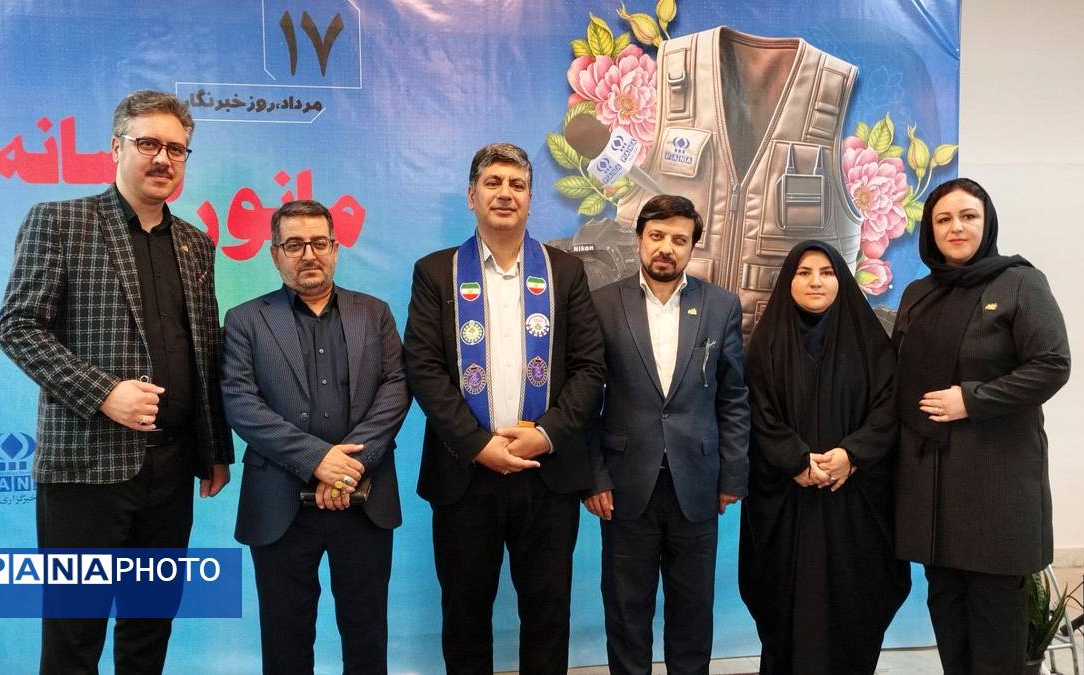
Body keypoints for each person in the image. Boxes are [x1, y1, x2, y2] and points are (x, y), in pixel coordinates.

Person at [0, 90, 232, 673]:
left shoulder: (196, 244)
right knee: (74, 636)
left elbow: (204, 349)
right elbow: (18, 326)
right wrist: (103, 392)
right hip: (85, 466)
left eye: (176, 148)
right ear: (116, 148)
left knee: (150, 628)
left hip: (172, 469)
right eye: (148, 143)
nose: (163, 159)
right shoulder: (61, 221)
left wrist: (214, 449)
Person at [403, 142, 605, 674]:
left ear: (531, 199)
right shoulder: (436, 272)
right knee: (464, 614)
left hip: (546, 471)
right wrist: (478, 445)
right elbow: (423, 368)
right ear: (471, 196)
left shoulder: (565, 272)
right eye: (493, 182)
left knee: (548, 613)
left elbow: (590, 368)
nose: (505, 194)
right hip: (466, 473)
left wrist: (547, 433)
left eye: (517, 184)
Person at [221, 199, 410, 673]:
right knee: (285, 641)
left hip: (364, 498)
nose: (309, 254)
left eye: (319, 243)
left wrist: (347, 469)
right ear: (274, 253)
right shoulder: (246, 320)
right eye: (294, 245)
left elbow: (396, 388)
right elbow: (241, 403)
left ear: (335, 248)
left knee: (367, 637)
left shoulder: (375, 313)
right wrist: (317, 460)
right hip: (278, 502)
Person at [893, 178, 1071, 674]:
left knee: (995, 637)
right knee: (950, 625)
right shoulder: (918, 293)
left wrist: (971, 400)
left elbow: (1052, 364)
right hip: (932, 494)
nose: (957, 227)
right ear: (930, 230)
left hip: (995, 491)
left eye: (968, 216)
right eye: (944, 219)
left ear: (986, 221)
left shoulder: (1020, 283)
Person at [583, 194, 749, 674]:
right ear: (639, 239)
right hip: (624, 485)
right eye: (656, 236)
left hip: (697, 483)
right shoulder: (603, 304)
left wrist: (732, 475)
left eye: (679, 240)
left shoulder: (720, 306)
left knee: (692, 610)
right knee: (626, 610)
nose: (666, 248)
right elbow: (585, 400)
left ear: (693, 247)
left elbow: (733, 397)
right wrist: (593, 476)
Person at [737, 240, 910, 674]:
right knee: (786, 611)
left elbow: (889, 409)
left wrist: (852, 455)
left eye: (827, 272)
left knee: (854, 606)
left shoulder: (871, 344)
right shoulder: (765, 345)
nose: (816, 281)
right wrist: (796, 460)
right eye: (804, 272)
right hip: (787, 503)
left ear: (842, 280)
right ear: (788, 281)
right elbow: (756, 412)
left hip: (855, 503)